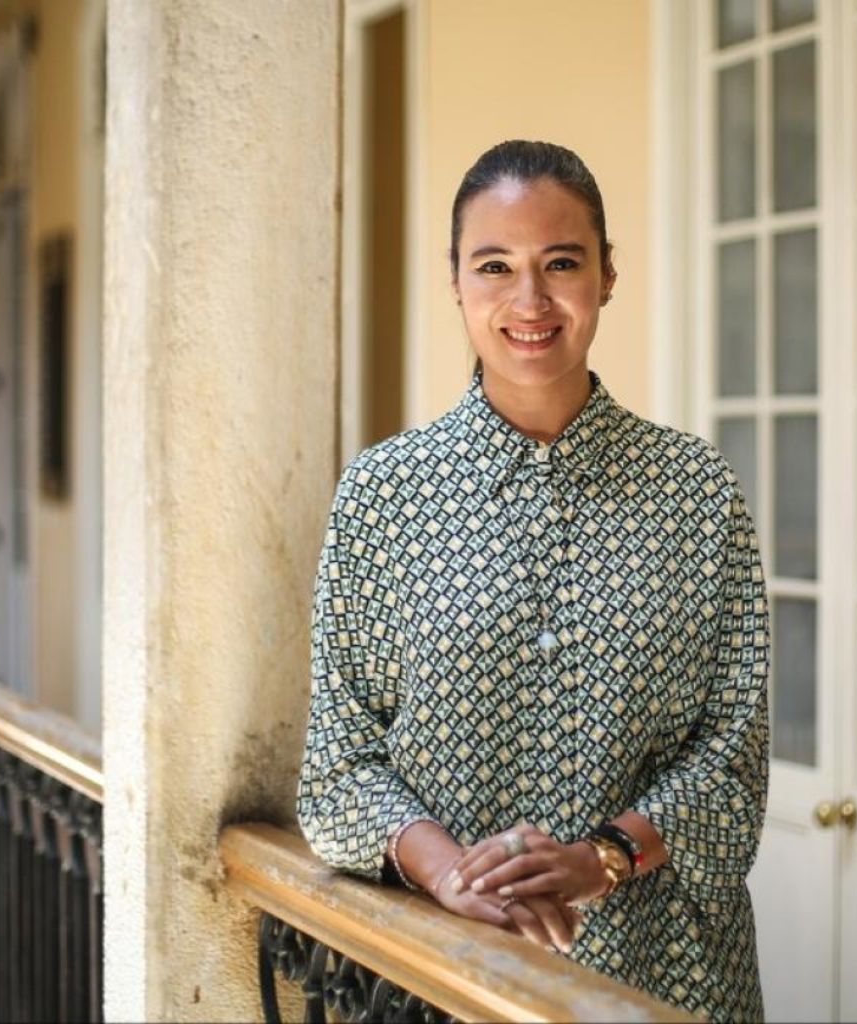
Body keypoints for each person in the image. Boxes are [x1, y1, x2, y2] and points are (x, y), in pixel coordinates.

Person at [297, 140, 769, 1020]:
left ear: (607, 275)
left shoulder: (696, 492)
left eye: (561, 263)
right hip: (441, 976)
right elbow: (338, 768)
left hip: (661, 977)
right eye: (494, 267)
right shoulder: (383, 494)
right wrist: (452, 874)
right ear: (455, 281)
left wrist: (602, 858)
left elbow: (731, 760)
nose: (530, 301)